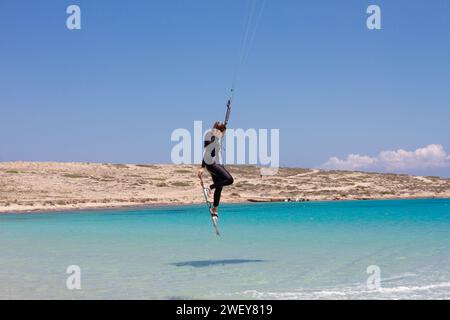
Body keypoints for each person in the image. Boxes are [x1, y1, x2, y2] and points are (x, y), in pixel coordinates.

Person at [197, 121, 234, 218]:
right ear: (219, 131)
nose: (224, 134)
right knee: (229, 180)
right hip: (212, 164)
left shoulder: (214, 136)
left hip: (215, 164)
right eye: (223, 132)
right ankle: (209, 188)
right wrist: (202, 167)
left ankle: (215, 211)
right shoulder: (213, 138)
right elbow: (207, 152)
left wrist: (224, 125)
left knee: (220, 186)